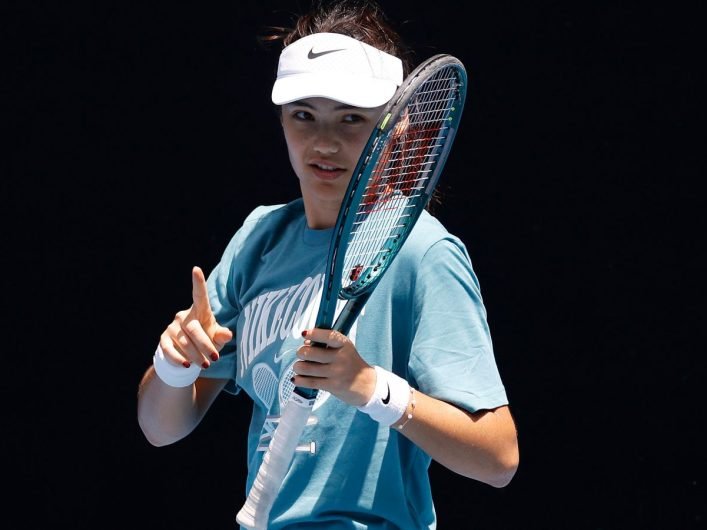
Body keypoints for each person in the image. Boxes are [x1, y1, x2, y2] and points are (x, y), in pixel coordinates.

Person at [137, 1, 519, 528]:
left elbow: (498, 458)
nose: (324, 142)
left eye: (351, 119)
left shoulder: (423, 253)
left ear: (395, 128)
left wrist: (371, 388)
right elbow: (160, 428)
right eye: (304, 115)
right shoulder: (259, 239)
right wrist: (172, 365)